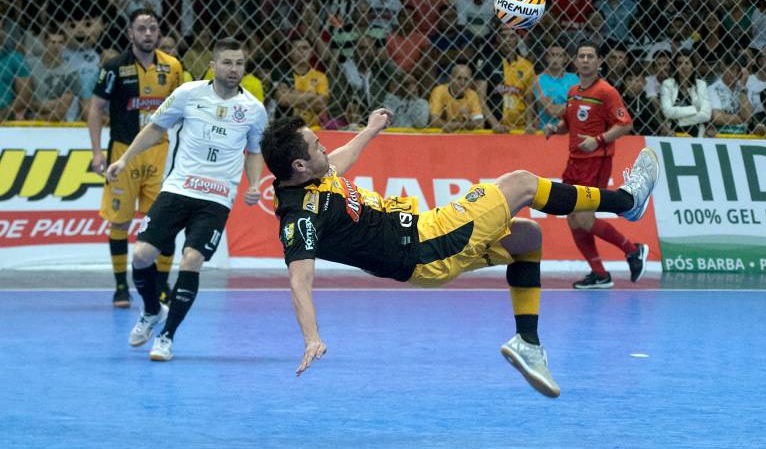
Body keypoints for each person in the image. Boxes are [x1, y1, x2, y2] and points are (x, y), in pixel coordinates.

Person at [260, 112, 659, 398]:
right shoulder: (299, 216)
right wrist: (312, 338)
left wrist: (369, 130)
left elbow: (338, 160)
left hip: (425, 243)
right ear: (298, 164)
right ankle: (626, 201)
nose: (323, 146)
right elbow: (300, 280)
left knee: (526, 239)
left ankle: (529, 345)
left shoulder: (313, 172)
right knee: (520, 184)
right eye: (316, 145)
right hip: (425, 244)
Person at [105, 38, 267, 361]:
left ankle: (166, 337)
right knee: (141, 255)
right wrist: (124, 160)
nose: (234, 69)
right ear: (213, 65)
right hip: (178, 189)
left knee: (191, 260)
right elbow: (154, 129)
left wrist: (255, 184)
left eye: (239, 64)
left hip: (216, 199)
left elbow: (254, 150)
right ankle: (152, 311)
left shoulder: (253, 110)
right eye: (227, 63)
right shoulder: (188, 94)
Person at [87, 9, 183, 308]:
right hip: (123, 155)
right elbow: (95, 109)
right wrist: (96, 152)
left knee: (163, 223)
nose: (148, 33)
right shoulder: (114, 67)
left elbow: (187, 109)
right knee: (120, 221)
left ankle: (162, 285)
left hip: (160, 154)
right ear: (130, 33)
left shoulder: (174, 67)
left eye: (153, 28)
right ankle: (120, 287)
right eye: (141, 28)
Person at [543, 42, 647, 289]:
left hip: (596, 162)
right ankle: (599, 273)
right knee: (572, 219)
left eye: (591, 56)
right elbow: (569, 123)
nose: (586, 60)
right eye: (582, 56)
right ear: (576, 62)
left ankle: (633, 250)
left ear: (599, 62)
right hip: (574, 162)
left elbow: (625, 124)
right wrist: (555, 128)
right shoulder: (573, 91)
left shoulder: (606, 92)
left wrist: (598, 140)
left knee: (586, 219)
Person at [660, 52, 712, 137]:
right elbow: (667, 111)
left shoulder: (701, 85)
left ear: (692, 66)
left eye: (687, 63)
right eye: (680, 63)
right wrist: (694, 109)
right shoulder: (667, 84)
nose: (683, 67)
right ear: (676, 67)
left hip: (697, 134)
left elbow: (706, 115)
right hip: (673, 134)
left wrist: (679, 121)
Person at [428, 61, 485, 131]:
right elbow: (434, 121)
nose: (462, 83)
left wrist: (462, 122)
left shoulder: (473, 95)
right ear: (450, 79)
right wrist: (466, 123)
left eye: (466, 79)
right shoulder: (439, 91)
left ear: (471, 81)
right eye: (459, 78)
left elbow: (480, 123)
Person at [533, 45, 579, 130]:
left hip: (571, 129)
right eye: (552, 55)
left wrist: (559, 106)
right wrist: (572, 105)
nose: (555, 58)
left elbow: (581, 106)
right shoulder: (539, 80)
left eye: (559, 55)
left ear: (565, 59)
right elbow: (552, 111)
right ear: (546, 58)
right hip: (548, 130)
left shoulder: (574, 79)